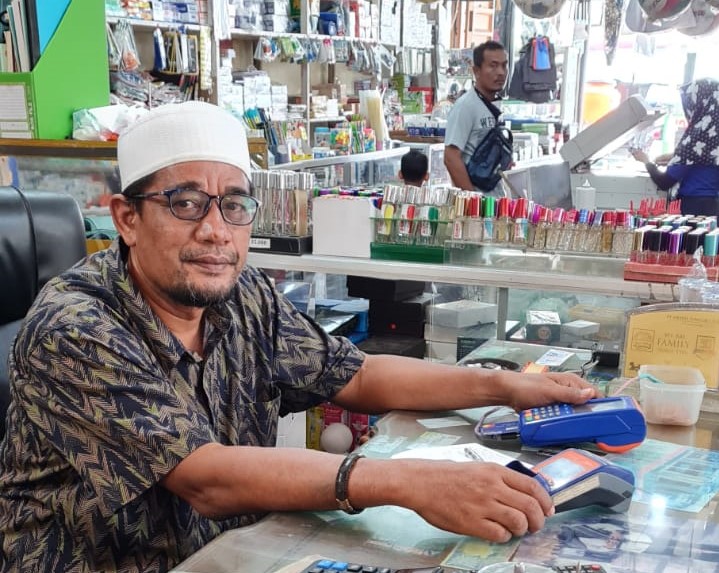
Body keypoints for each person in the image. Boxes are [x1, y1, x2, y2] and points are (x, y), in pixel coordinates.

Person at [0, 101, 599, 573]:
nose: (216, 231)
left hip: (240, 555)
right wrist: (406, 481)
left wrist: (503, 387)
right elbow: (205, 476)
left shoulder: (241, 293)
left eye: (234, 206)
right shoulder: (75, 326)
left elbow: (358, 375)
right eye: (185, 204)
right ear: (127, 219)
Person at [632, 78, 719, 216]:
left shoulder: (695, 138)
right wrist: (675, 157)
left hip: (693, 207)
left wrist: (646, 161)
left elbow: (664, 182)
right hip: (713, 207)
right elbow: (705, 158)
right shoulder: (712, 132)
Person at [444, 40, 509, 193]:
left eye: (504, 65)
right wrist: (474, 199)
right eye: (493, 65)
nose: (501, 72)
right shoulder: (465, 106)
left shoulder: (495, 104)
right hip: (478, 202)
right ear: (476, 71)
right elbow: (451, 157)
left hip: (496, 198)